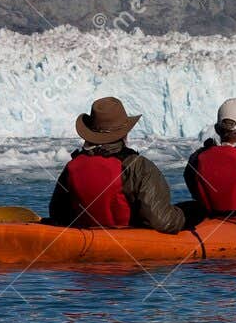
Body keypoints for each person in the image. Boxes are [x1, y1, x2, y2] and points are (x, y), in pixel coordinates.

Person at [48, 96, 186, 233]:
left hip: (83, 237)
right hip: (129, 240)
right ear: (124, 133)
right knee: (190, 209)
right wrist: (184, 217)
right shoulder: (138, 166)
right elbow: (161, 221)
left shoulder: (72, 166)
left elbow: (57, 214)